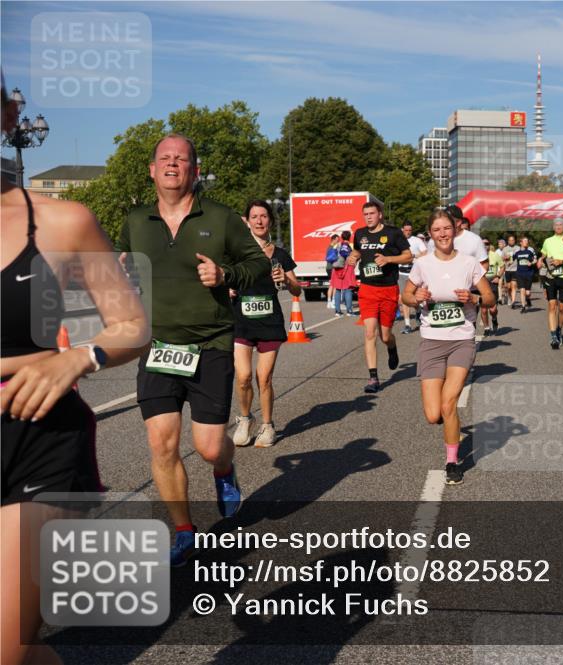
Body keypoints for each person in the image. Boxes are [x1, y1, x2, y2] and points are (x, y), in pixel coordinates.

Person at [1, 79, 148, 665]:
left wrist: (76, 356)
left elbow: (132, 324)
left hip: (37, 435)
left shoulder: (63, 221)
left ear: (8, 116)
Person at [116, 133, 270, 566]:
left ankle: (224, 468)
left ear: (195, 170)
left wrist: (225, 275)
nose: (172, 164)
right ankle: (184, 532)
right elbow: (122, 265)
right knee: (161, 444)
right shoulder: (135, 220)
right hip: (157, 346)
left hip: (211, 344)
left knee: (208, 446)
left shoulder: (220, 218)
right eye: (164, 158)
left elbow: (259, 264)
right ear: (152, 170)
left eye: (181, 159)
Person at [402, 208, 493, 485]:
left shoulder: (469, 263)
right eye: (436, 230)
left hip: (461, 341)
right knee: (433, 415)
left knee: (448, 402)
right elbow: (406, 296)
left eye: (446, 228)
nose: (442, 234)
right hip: (431, 342)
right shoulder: (423, 264)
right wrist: (416, 296)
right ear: (430, 234)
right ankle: (449, 423)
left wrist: (474, 299)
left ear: (455, 230)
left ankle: (452, 462)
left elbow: (490, 298)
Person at [230, 200, 301, 449]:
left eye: (263, 216)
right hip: (242, 322)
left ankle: (268, 425)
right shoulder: (237, 252)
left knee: (264, 377)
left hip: (269, 323)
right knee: (243, 376)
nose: (259, 221)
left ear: (269, 220)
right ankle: (245, 419)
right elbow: (223, 278)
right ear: (247, 221)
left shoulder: (280, 254)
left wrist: (287, 281)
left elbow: (297, 289)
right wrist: (227, 288)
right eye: (254, 217)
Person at [347, 201, 412, 393]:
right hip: (367, 289)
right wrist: (353, 256)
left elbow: (408, 256)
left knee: (385, 336)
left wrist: (388, 259)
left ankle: (392, 347)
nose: (368, 217)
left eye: (372, 213)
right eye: (365, 214)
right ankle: (373, 378)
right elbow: (358, 250)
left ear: (380, 214)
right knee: (369, 333)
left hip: (388, 289)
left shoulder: (393, 233)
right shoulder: (360, 233)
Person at [539, 219, 563, 349]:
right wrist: (540, 260)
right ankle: (554, 336)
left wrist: (562, 262)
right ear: (553, 227)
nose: (558, 227)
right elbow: (543, 255)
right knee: (551, 305)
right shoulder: (548, 241)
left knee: (561, 307)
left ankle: (559, 329)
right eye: (556, 225)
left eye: (560, 225)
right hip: (550, 277)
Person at [399, 221, 428, 334]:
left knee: (415, 298)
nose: (408, 232)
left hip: (414, 272)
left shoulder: (416, 240)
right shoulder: (398, 240)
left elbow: (425, 252)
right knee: (404, 298)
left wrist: (414, 256)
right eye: (406, 230)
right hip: (401, 272)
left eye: (410, 230)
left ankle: (418, 310)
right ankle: (407, 324)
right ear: (402, 229)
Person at [329, 230, 356, 316]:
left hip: (337, 269)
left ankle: (337, 311)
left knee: (337, 289)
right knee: (348, 290)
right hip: (347, 269)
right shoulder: (351, 245)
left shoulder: (337, 245)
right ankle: (349, 311)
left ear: (341, 237)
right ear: (350, 237)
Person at [480, 238, 503, 335]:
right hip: (481, 282)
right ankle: (486, 328)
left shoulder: (495, 255)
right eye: (483, 244)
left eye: (487, 244)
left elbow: (502, 266)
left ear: (489, 245)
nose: (485, 245)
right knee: (483, 309)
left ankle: (494, 318)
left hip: (492, 281)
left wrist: (498, 276)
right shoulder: (476, 256)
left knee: (493, 309)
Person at [512, 236, 537, 313]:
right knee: (522, 290)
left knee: (527, 292)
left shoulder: (530, 251)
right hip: (519, 273)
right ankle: (523, 307)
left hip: (529, 273)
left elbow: (535, 260)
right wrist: (508, 261)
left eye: (527, 241)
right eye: (525, 241)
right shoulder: (517, 252)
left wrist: (531, 263)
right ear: (521, 243)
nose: (526, 242)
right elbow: (512, 259)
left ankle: (528, 299)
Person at [503, 234, 519, 307]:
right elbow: (502, 258)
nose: (511, 241)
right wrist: (505, 258)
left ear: (514, 241)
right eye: (510, 240)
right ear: (508, 241)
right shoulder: (505, 249)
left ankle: (513, 301)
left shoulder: (518, 248)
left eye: (513, 240)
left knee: (514, 286)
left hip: (515, 269)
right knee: (508, 287)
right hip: (508, 269)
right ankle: (509, 297)